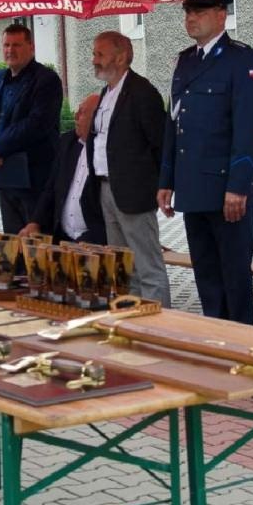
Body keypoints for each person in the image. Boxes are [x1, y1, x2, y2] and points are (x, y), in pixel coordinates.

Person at [158, 0, 253, 324]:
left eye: (199, 11)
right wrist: (166, 179)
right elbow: (174, 124)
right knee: (206, 279)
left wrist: (238, 186)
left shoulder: (242, 60)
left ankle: (244, 355)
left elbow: (248, 129)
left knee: (234, 282)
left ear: (221, 15)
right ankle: (217, 350)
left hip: (225, 190)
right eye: (188, 11)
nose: (191, 18)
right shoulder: (185, 61)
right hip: (193, 188)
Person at [88, 30, 170, 305]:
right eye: (94, 53)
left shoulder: (142, 92)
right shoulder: (106, 91)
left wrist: (162, 186)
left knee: (147, 266)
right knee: (124, 265)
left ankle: (162, 328)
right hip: (106, 188)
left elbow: (160, 143)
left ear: (121, 57)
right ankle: (134, 320)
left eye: (100, 54)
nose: (94, 60)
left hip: (134, 192)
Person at [0, 22, 62, 234]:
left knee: (38, 244)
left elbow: (37, 123)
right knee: (12, 242)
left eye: (17, 45)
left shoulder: (46, 80)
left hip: (35, 177)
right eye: (6, 45)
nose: (10, 50)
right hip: (4, 175)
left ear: (31, 47)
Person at [22, 95, 106, 244]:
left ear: (98, 118)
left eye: (82, 112)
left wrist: (90, 240)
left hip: (95, 242)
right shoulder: (68, 142)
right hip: (62, 237)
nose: (76, 116)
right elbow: (51, 188)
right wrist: (35, 222)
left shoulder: (108, 152)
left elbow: (110, 212)